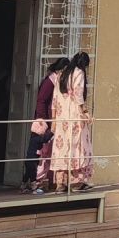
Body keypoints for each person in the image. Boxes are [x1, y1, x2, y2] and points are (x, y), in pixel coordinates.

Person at [23, 57, 68, 193]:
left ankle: (40, 181)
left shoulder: (57, 81)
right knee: (40, 153)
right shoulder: (50, 81)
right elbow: (41, 100)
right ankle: (36, 181)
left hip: (51, 121)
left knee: (46, 152)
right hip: (45, 122)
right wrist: (43, 119)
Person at [50, 51, 93, 192]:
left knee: (61, 148)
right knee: (78, 147)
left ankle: (60, 184)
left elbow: (55, 99)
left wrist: (54, 119)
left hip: (62, 118)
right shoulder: (78, 73)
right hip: (74, 117)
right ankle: (76, 182)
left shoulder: (61, 74)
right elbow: (78, 95)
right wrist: (84, 112)